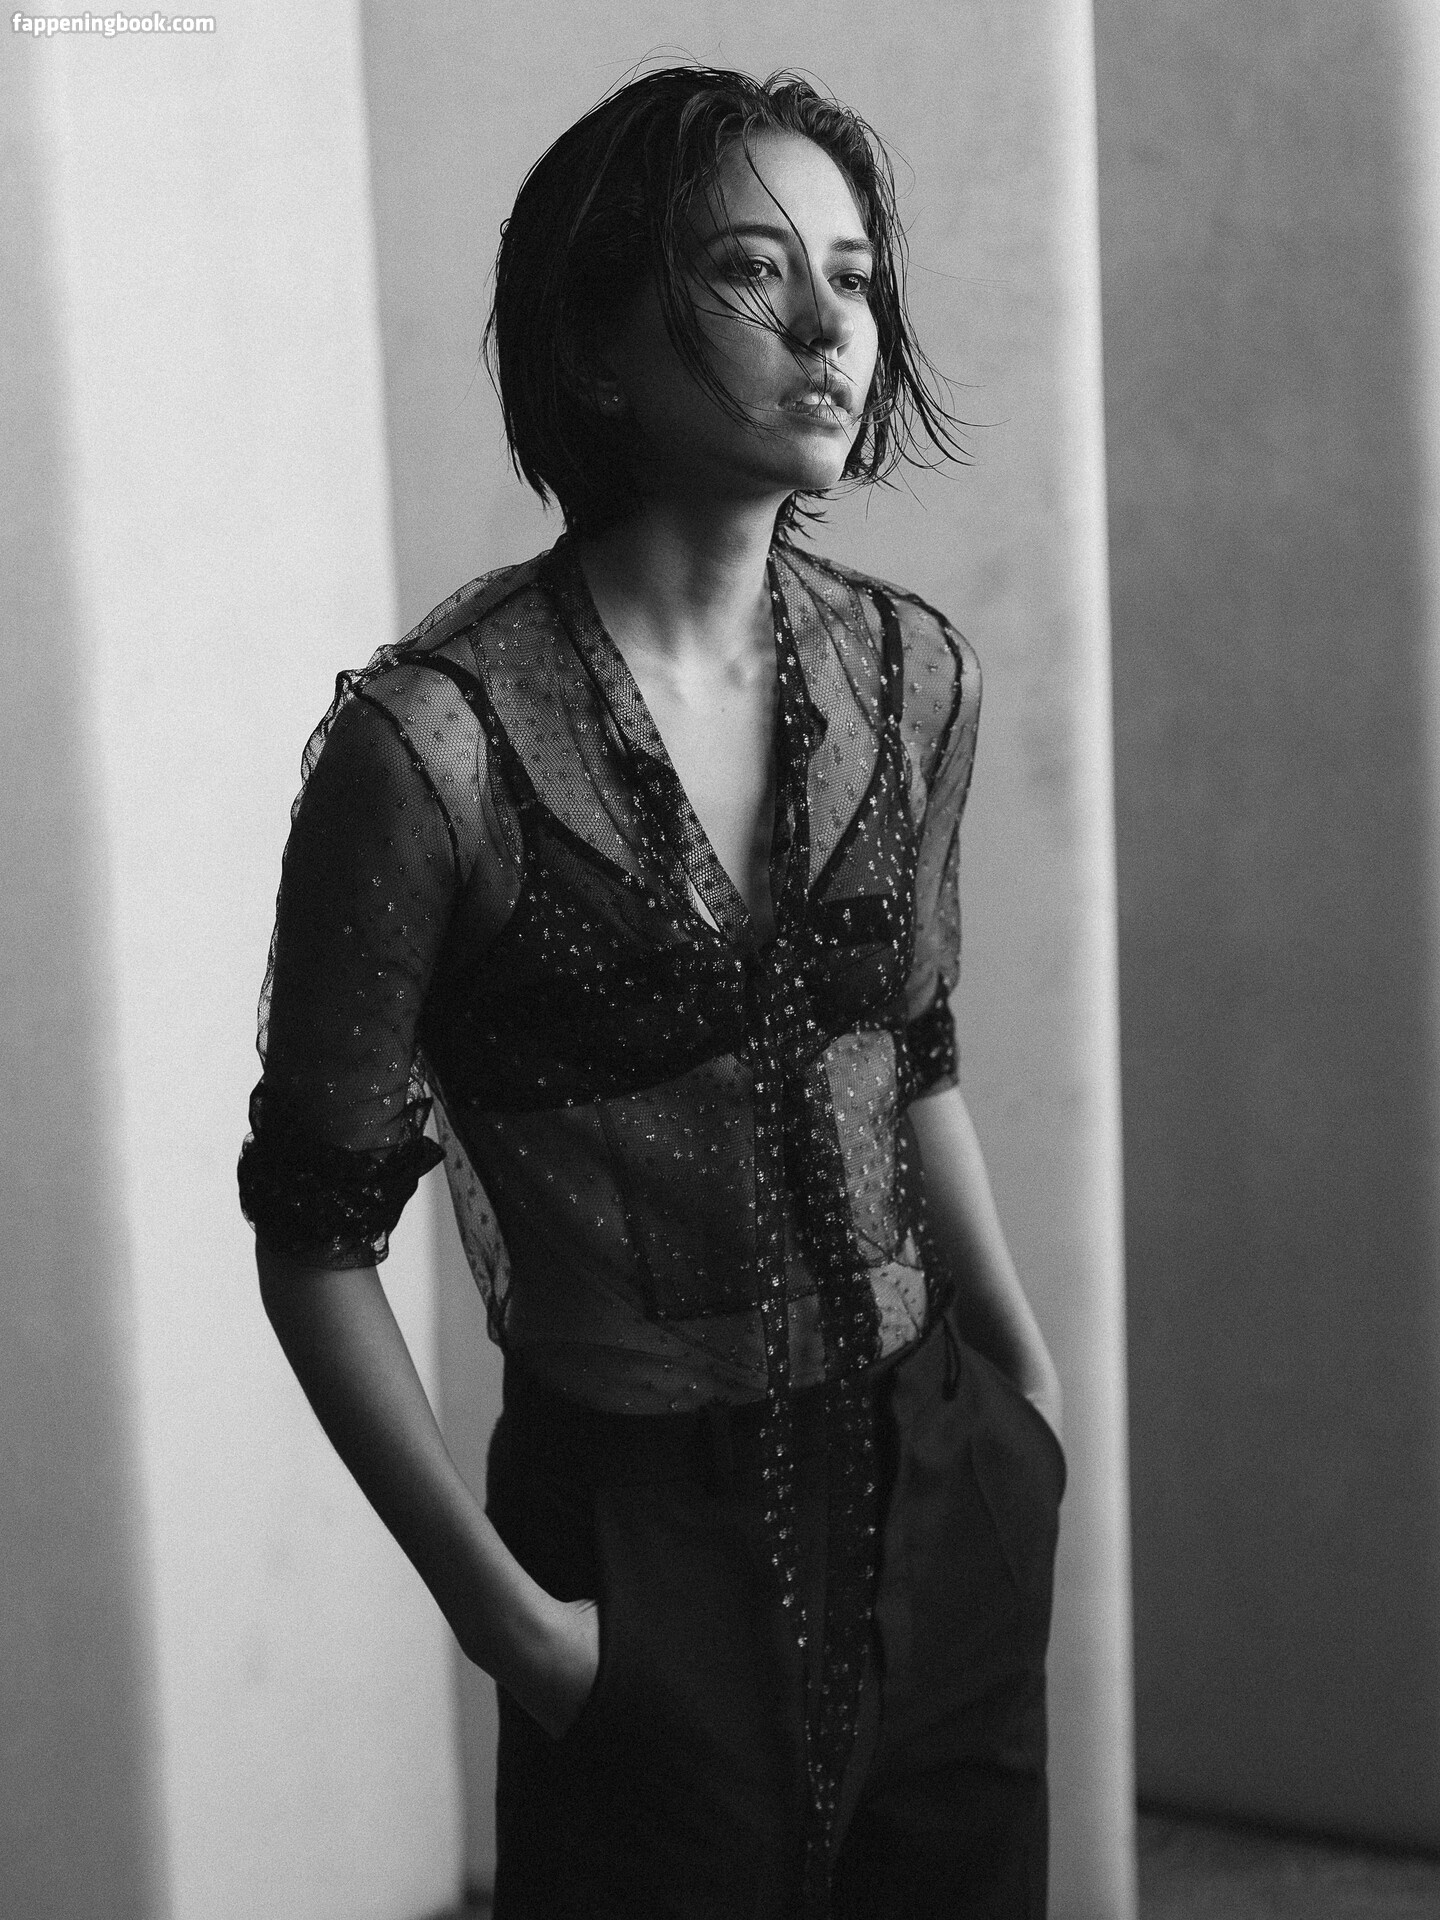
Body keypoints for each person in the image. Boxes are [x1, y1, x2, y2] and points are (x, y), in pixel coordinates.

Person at [239, 64, 1065, 1920]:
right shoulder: (433, 752)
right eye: (754, 271)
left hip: (944, 1479)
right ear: (596, 347)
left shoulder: (912, 677)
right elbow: (312, 1237)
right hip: (633, 1534)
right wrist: (513, 1629)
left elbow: (910, 1049)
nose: (831, 329)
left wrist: (1025, 1402)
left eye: (853, 275)